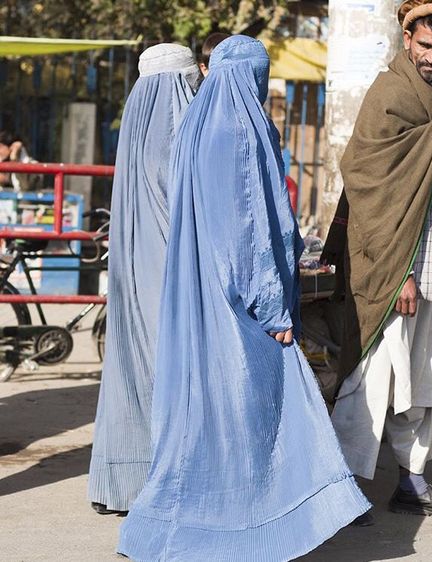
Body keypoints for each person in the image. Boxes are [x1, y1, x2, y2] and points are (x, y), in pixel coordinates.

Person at [118, 35, 370, 561]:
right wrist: (274, 307)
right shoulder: (240, 132)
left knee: (202, 416)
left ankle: (173, 525)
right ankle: (256, 526)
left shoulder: (194, 127)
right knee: (259, 411)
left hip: (198, 297)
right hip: (239, 306)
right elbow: (252, 230)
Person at [326, 0, 432, 522]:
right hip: (391, 260)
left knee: (426, 374)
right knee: (374, 377)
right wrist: (402, 274)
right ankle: (337, 488)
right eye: (425, 44)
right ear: (407, 38)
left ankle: (412, 482)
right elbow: (368, 182)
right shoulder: (389, 92)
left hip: (428, 254)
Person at [88, 44, 202, 515]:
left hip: (131, 271)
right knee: (170, 371)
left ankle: (122, 481)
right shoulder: (181, 129)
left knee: (130, 370)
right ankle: (165, 483)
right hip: (170, 277)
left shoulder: (135, 130)